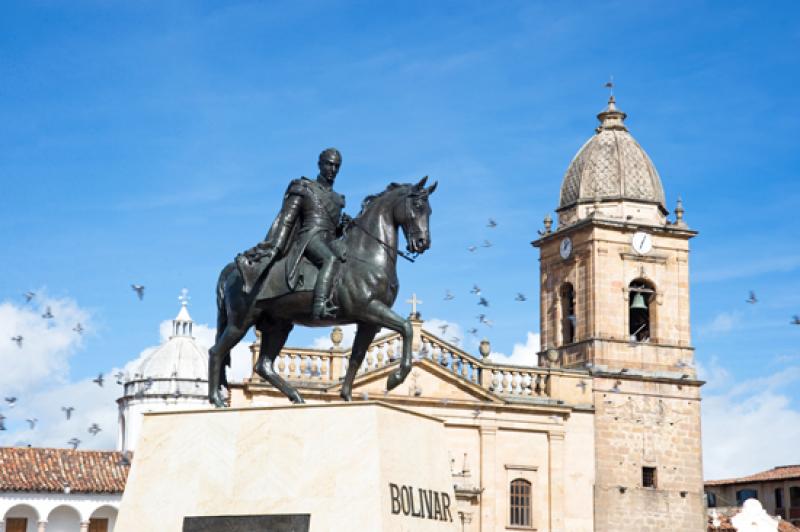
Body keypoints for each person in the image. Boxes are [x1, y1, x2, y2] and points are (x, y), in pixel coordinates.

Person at [236, 148, 350, 319]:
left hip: (329, 240)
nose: (333, 170)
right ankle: (320, 305)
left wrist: (343, 226)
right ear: (320, 164)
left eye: (336, 166)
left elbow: (333, 230)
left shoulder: (338, 199)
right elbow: (287, 219)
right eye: (329, 164)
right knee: (330, 259)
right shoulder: (304, 187)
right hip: (310, 237)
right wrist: (275, 246)